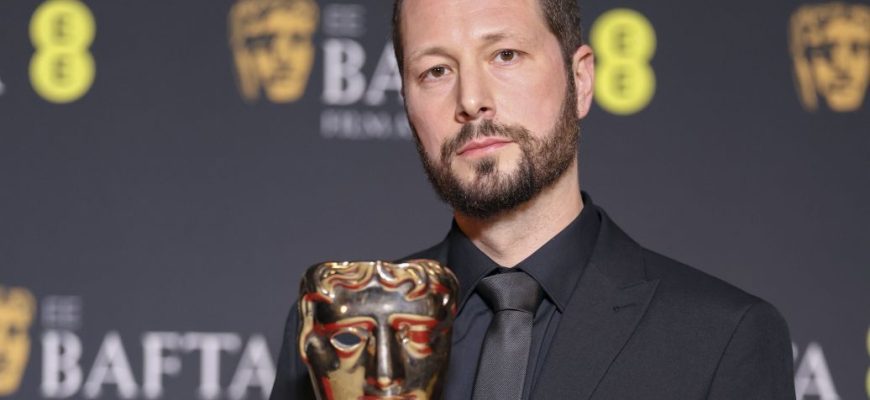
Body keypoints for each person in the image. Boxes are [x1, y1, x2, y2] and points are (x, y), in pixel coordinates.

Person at [270, 0, 796, 398]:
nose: (471, 99)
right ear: (407, 102)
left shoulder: (722, 336)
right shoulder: (338, 325)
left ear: (580, 80)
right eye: (436, 71)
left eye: (505, 55)